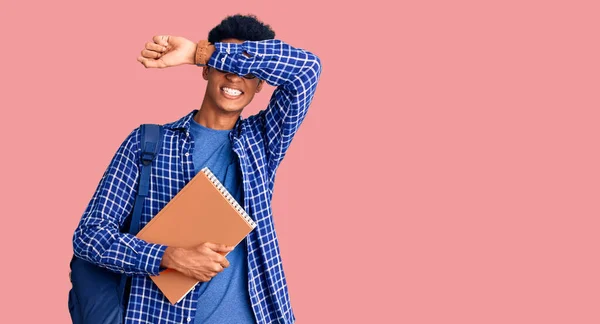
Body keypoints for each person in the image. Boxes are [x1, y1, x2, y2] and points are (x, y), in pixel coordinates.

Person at [72, 14, 321, 324]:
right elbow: (90, 236)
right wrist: (167, 256)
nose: (234, 77)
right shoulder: (148, 143)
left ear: (260, 85)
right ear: (207, 72)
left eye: (248, 71)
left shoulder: (263, 143)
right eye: (224, 65)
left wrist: (199, 52)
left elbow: (308, 69)